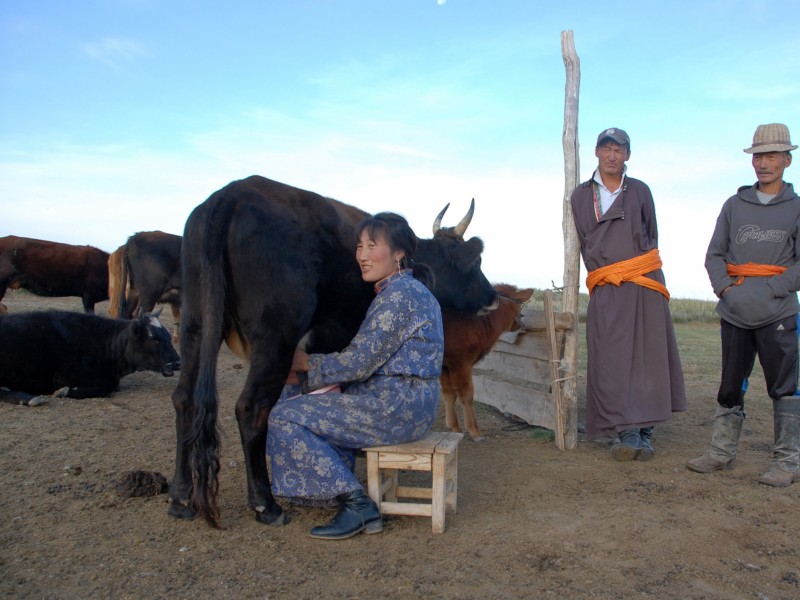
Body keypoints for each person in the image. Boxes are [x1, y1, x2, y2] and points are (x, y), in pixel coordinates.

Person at [266, 212, 444, 539]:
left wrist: (306, 363)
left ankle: (357, 504)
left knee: (284, 417)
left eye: (371, 245)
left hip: (396, 406)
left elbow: (358, 363)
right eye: (359, 246)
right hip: (404, 402)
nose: (361, 255)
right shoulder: (404, 291)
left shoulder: (400, 297)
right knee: (294, 397)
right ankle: (337, 487)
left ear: (399, 253)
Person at [686, 123, 800, 487]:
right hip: (735, 312)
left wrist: (777, 286)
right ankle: (721, 453)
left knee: (785, 387)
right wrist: (726, 290)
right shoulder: (734, 205)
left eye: (771, 156)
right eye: (757, 156)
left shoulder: (796, 208)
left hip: (779, 313)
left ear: (787, 159)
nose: (763, 163)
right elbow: (714, 255)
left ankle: (787, 461)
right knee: (730, 385)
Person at [570, 127, 687, 461]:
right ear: (595, 152)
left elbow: (651, 235)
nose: (612, 155)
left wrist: (639, 269)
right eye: (606, 148)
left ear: (628, 156)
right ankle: (625, 430)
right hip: (608, 285)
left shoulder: (639, 191)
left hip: (645, 282)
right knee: (611, 358)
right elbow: (584, 240)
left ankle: (645, 433)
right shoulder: (580, 196)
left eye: (618, 150)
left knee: (649, 357)